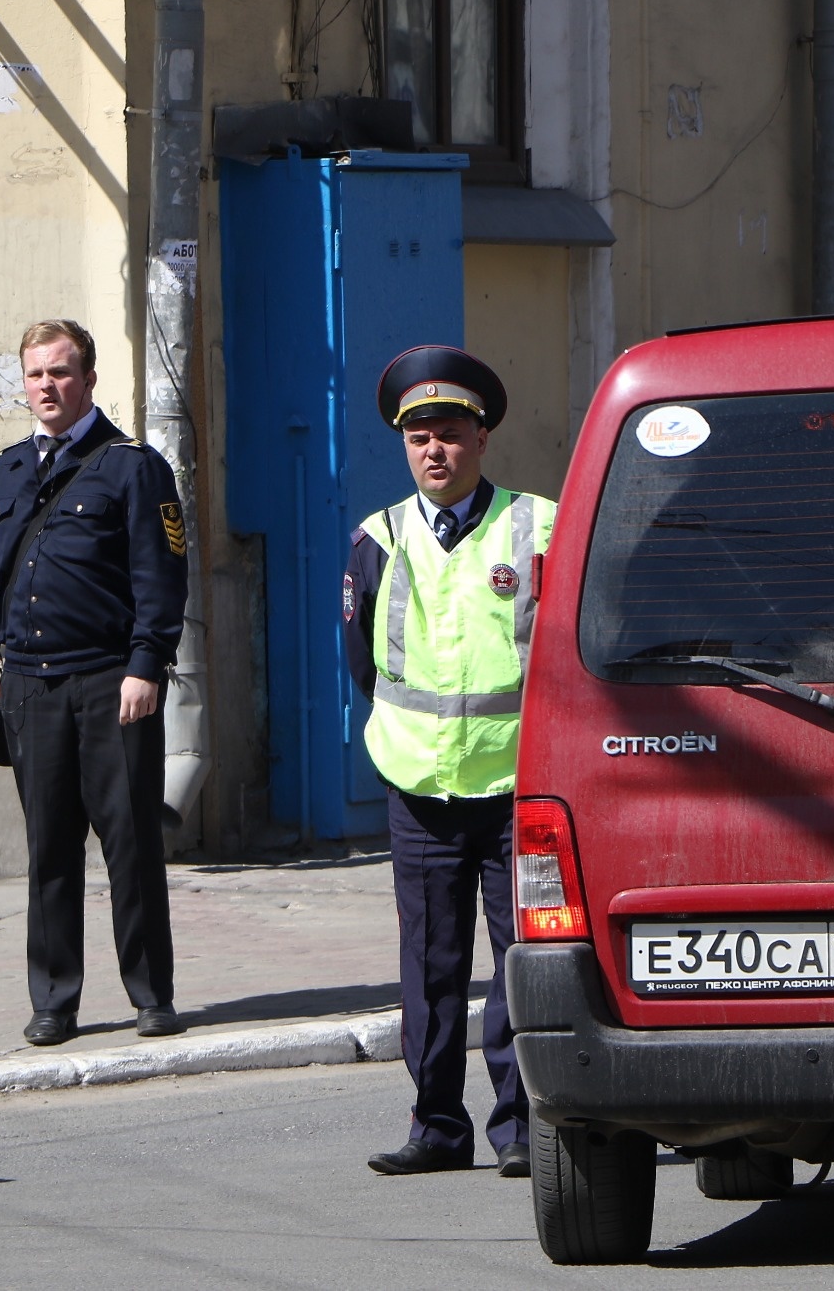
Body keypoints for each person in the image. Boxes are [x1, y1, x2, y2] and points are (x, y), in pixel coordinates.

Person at [344, 346, 556, 1178]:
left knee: (520, 964)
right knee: (429, 967)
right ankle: (436, 1125)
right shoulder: (376, 537)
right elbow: (360, 660)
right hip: (422, 788)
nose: (435, 450)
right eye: (420, 436)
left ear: (482, 438)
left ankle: (517, 1128)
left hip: (517, 786)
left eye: (452, 433)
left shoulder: (537, 524)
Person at [0, 320, 190, 1046]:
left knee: (130, 844)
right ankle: (54, 998)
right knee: (49, 850)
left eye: (60, 373)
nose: (46, 387)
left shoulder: (130, 466)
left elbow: (163, 573)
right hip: (28, 687)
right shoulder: (7, 471)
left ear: (88, 379)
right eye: (34, 374)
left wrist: (146, 662)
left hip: (107, 682)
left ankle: (151, 993)